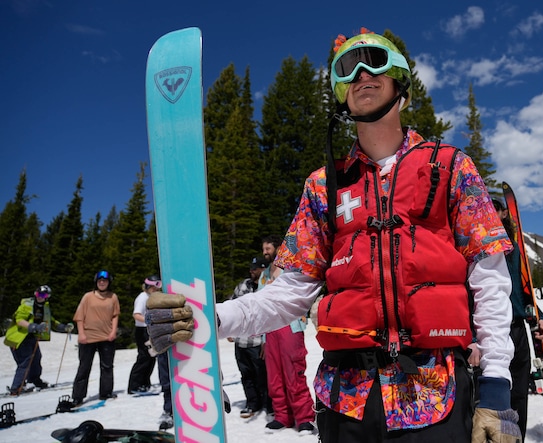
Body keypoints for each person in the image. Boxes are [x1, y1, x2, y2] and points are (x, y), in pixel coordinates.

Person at [146, 28, 520, 442]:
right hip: (348, 402)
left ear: (400, 81)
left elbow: (489, 281)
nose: (361, 73)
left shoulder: (450, 168)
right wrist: (212, 318)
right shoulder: (325, 187)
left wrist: (496, 388)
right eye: (348, 67)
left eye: (374, 61)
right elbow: (289, 293)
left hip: (436, 394)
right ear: (340, 91)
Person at [493, 199, 543, 439]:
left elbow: (524, 288)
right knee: (492, 395)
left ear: (504, 214)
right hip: (489, 330)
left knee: (518, 395)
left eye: (494, 209)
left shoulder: (514, 250)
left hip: (516, 329)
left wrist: (539, 316)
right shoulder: (471, 247)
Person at [257, 236, 315, 432]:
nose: (265, 252)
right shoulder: (264, 275)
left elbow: (301, 294)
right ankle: (283, 416)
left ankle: (305, 417)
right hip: (270, 328)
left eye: (268, 248)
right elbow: (260, 304)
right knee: (274, 376)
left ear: (278, 248)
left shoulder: (291, 269)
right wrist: (263, 337)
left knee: (293, 372)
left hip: (289, 325)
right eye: (263, 249)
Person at [4, 285, 73, 395]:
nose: (40, 297)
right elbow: (19, 320)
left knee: (36, 358)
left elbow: (51, 321)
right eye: (38, 294)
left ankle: (35, 380)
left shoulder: (44, 308)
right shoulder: (27, 305)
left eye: (43, 295)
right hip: (18, 338)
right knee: (25, 362)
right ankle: (16, 387)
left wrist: (64, 327)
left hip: (31, 338)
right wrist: (33, 326)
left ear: (47, 297)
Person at [227, 256, 273, 419]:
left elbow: (271, 316)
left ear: (263, 269)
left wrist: (267, 342)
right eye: (251, 268)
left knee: (263, 374)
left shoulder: (268, 287)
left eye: (255, 268)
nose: (251, 271)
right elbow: (232, 307)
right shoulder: (243, 286)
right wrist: (230, 330)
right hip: (241, 340)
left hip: (258, 341)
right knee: (246, 374)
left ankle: (269, 405)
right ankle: (252, 403)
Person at [71, 270, 121, 406]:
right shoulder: (88, 296)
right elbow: (79, 316)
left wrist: (113, 331)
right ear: (96, 282)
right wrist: (81, 334)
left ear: (109, 282)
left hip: (106, 337)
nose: (102, 283)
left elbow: (115, 315)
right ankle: (78, 396)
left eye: (105, 281)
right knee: (84, 367)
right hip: (88, 337)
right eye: (100, 281)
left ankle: (106, 392)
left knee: (107, 366)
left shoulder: (113, 297)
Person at [128, 275, 162, 394]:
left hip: (150, 330)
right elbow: (136, 314)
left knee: (151, 358)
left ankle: (144, 383)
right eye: (152, 287)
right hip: (142, 331)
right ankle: (134, 385)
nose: (155, 289)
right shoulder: (142, 297)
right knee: (143, 357)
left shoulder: (151, 297)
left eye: (156, 287)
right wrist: (149, 321)